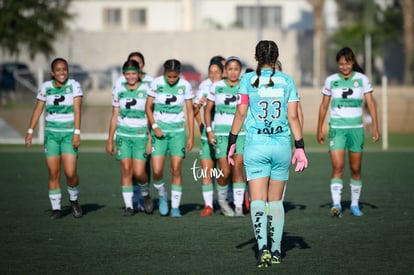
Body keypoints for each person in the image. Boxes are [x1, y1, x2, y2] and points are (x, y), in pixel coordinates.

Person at [227, 40, 308, 267]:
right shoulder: (288, 81)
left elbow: (241, 113)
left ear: (256, 57)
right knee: (275, 202)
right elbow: (293, 117)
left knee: (257, 200)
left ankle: (262, 247)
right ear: (276, 57)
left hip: (256, 147)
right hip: (282, 147)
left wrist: (232, 141)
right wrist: (300, 146)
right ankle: (276, 250)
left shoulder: (247, 80)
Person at [317, 46, 379, 218]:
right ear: (338, 64)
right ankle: (336, 204)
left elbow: (371, 104)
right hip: (337, 129)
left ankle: (354, 204)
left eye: (347, 63)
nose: (344, 67)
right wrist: (319, 128)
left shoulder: (362, 79)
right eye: (341, 64)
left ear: (352, 63)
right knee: (337, 166)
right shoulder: (331, 80)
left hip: (356, 129)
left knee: (355, 168)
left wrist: (375, 126)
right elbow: (323, 106)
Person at [25, 57, 83, 220]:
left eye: (64, 69)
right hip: (51, 135)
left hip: (68, 134)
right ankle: (56, 208)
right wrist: (30, 131)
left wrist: (77, 132)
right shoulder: (46, 87)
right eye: (58, 70)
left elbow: (77, 110)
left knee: (70, 173)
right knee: (53, 172)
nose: (62, 72)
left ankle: (73, 200)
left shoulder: (74, 86)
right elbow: (38, 109)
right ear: (52, 73)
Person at [145, 59, 194, 217]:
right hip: (159, 133)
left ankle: (175, 207)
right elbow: (147, 108)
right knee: (157, 170)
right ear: (164, 73)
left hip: (178, 133)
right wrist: (155, 127)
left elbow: (190, 111)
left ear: (179, 74)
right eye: (169, 76)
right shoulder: (156, 83)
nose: (171, 79)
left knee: (176, 169)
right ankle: (162, 195)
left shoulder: (185, 85)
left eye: (174, 76)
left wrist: (191, 136)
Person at [106, 60, 152, 216]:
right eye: (128, 73)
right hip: (123, 135)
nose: (131, 76)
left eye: (134, 73)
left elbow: (151, 116)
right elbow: (114, 116)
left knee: (139, 173)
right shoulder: (119, 90)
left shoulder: (147, 90)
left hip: (140, 136)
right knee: (126, 170)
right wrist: (110, 140)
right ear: (123, 74)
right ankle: (128, 206)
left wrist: (150, 139)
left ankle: (145, 194)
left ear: (139, 73)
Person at [205, 56, 246, 217]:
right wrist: (209, 130)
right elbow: (207, 110)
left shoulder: (245, 86)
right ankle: (222, 200)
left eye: (236, 69)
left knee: (238, 168)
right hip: (221, 134)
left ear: (240, 71)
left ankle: (238, 207)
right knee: (224, 171)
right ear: (225, 71)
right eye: (230, 69)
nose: (233, 72)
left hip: (241, 133)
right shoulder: (217, 86)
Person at [193, 58, 224, 216]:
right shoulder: (204, 86)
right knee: (207, 171)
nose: (213, 75)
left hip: (224, 135)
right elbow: (194, 109)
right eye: (211, 72)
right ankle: (208, 206)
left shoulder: (227, 86)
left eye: (216, 72)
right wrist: (200, 123)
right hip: (207, 135)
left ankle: (229, 200)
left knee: (226, 172)